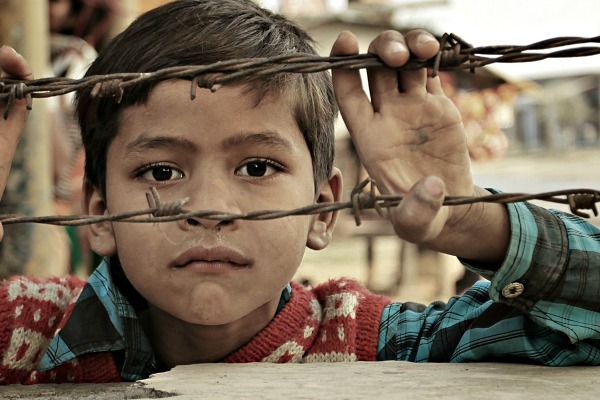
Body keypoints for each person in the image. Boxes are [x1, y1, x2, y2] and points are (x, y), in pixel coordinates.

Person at [0, 0, 599, 385]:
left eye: (257, 167)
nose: (212, 208)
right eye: (161, 172)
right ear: (99, 211)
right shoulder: (25, 329)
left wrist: (470, 220)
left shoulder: (374, 342)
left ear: (323, 205)